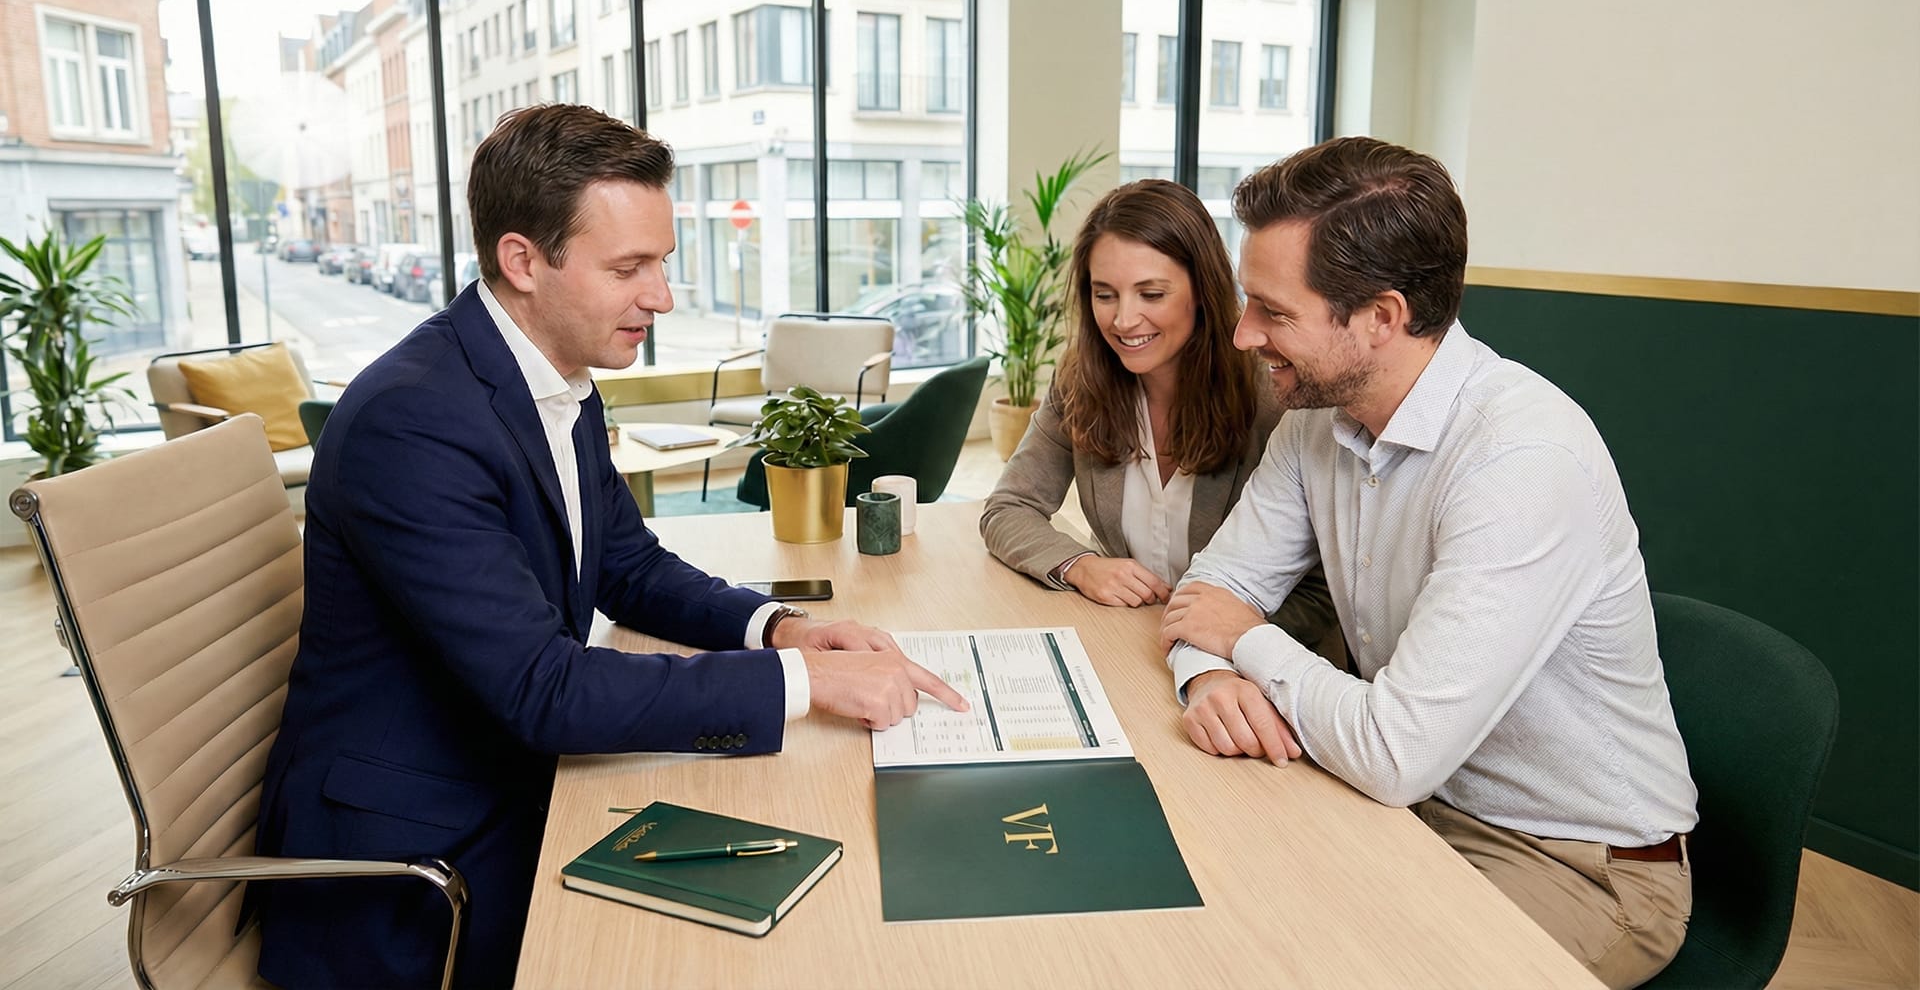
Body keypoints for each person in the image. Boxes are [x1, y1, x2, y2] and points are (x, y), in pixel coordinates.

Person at [254, 104, 966, 990]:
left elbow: (626, 566)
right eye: (629, 268)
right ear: (522, 261)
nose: (661, 297)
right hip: (415, 857)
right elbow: (540, 688)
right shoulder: (415, 421)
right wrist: (808, 684)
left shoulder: (556, 374)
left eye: (661, 263)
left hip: (506, 773)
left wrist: (781, 631)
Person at [1157, 136, 1697, 989]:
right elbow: (1208, 595)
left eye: (1272, 310)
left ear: (1380, 315)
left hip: (1579, 868)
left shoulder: (1521, 459)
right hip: (1411, 805)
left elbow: (1393, 750)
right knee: (1214, 917)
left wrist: (1248, 643)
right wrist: (1208, 677)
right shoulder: (1313, 417)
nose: (1241, 333)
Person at [981, 179, 1343, 703]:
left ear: (1201, 289)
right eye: (1104, 294)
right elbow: (1008, 508)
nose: (1123, 320)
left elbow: (1319, 593)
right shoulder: (1081, 380)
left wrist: (1208, 645)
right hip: (1131, 657)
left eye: (1151, 294)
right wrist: (1080, 565)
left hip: (1257, 685)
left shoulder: (1273, 396)